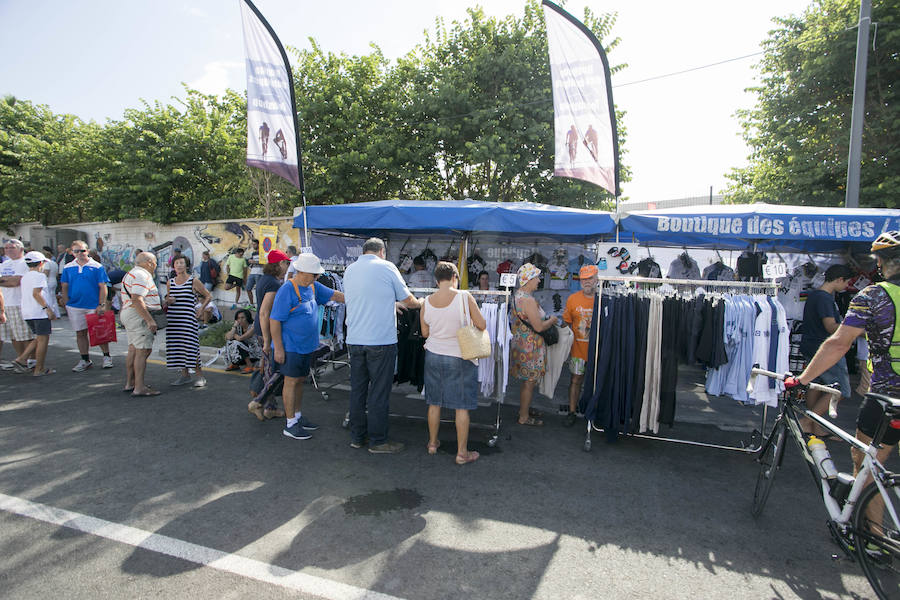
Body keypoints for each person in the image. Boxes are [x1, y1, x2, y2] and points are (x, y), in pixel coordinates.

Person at [788, 232, 900, 524]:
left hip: (889, 397)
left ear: (882, 263)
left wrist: (801, 380)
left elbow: (839, 343)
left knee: (868, 463)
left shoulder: (875, 295)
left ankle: (872, 537)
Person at [344, 237, 422, 453]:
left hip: (355, 340)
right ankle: (379, 441)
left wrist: (390, 303)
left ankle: (357, 437)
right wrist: (422, 303)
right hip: (380, 341)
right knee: (378, 392)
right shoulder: (387, 267)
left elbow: (363, 297)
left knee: (358, 391)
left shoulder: (350, 270)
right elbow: (409, 300)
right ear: (382, 252)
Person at [270, 253, 345, 440]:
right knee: (291, 381)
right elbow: (274, 320)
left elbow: (335, 295)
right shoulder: (287, 290)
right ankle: (290, 424)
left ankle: (297, 416)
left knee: (299, 380)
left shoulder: (312, 286)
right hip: (290, 347)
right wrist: (278, 348)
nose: (317, 277)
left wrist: (361, 299)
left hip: (306, 346)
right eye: (314, 274)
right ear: (301, 272)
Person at [420, 261, 486, 465]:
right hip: (459, 356)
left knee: (434, 402)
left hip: (433, 354)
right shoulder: (464, 297)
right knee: (461, 406)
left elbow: (424, 333)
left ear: (436, 279)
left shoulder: (426, 302)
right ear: (455, 278)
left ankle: (432, 443)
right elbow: (482, 324)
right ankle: (461, 453)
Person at [799, 264, 854, 431]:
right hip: (823, 347)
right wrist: (853, 329)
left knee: (815, 384)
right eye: (846, 283)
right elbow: (830, 326)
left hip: (810, 344)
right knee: (841, 389)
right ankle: (808, 421)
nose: (846, 287)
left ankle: (814, 425)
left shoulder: (815, 295)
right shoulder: (824, 298)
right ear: (839, 279)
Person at [510, 262, 557, 426]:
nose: (538, 280)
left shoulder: (517, 296)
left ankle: (524, 409)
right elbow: (538, 327)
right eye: (536, 277)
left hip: (521, 345)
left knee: (526, 382)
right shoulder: (528, 300)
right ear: (528, 279)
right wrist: (551, 321)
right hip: (531, 348)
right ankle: (524, 416)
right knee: (529, 383)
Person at [249, 249, 291, 420]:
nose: (288, 267)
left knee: (268, 370)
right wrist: (267, 340)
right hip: (267, 331)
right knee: (275, 370)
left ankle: (269, 407)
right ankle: (260, 402)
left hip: (263, 330)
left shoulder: (266, 280)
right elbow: (265, 313)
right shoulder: (273, 283)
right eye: (286, 263)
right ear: (279, 264)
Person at [61, 240, 113, 371]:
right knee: (80, 333)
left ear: (87, 251)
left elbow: (103, 286)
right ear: (72, 252)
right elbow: (64, 286)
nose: (80, 253)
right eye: (76, 251)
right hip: (75, 306)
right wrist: (66, 302)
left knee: (99, 331)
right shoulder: (67, 267)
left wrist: (101, 304)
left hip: (93, 305)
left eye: (82, 250)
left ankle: (106, 357)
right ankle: (85, 359)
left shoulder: (97, 267)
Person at [165, 255, 211, 388]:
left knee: (191, 347)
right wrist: (168, 300)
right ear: (173, 266)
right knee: (178, 347)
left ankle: (200, 376)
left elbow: (208, 295)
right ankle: (185, 375)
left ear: (186, 265)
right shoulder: (170, 282)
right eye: (177, 263)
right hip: (174, 319)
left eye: (181, 263)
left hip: (188, 319)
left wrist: (201, 309)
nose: (179, 265)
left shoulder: (193, 281)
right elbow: (168, 297)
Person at [561, 265, 598, 426]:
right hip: (577, 351)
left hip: (598, 351)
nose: (587, 282)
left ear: (597, 279)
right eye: (584, 279)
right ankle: (571, 411)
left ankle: (595, 412)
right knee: (575, 380)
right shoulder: (573, 299)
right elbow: (566, 323)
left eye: (590, 278)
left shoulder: (604, 298)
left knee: (597, 382)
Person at [120, 252, 161, 396]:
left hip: (130, 314)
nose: (156, 265)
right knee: (143, 351)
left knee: (134, 349)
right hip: (138, 316)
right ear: (149, 262)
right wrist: (149, 320)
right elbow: (137, 299)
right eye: (155, 262)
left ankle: (131, 383)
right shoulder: (142, 275)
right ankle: (139, 387)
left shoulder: (132, 273)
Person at [11, 251, 57, 376]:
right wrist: (47, 308)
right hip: (39, 312)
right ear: (41, 263)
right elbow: (36, 294)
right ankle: (39, 369)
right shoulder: (40, 276)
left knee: (38, 338)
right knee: (43, 340)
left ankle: (22, 359)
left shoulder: (25, 276)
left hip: (28, 312)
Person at [0, 239, 35, 366]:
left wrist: (4, 280)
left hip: (19, 303)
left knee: (25, 335)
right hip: (6, 303)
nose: (8, 250)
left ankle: (31, 360)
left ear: (21, 249)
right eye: (6, 248)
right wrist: (7, 280)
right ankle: (21, 359)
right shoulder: (4, 264)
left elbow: (16, 282)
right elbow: (11, 281)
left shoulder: (24, 263)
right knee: (14, 336)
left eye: (12, 247)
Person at [225, 309, 261, 373]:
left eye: (242, 318)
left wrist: (235, 335)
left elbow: (241, 338)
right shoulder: (238, 326)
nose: (240, 320)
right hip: (246, 352)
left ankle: (249, 365)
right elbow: (228, 337)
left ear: (247, 318)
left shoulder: (253, 326)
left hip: (255, 352)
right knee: (230, 342)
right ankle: (235, 364)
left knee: (236, 342)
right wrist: (234, 327)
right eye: (238, 318)